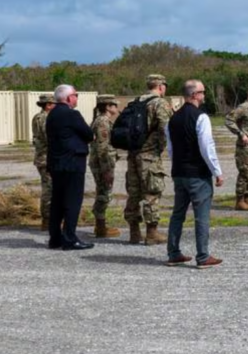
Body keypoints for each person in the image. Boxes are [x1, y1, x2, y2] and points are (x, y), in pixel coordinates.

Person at [164, 80, 224, 268]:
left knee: (177, 214)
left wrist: (177, 166)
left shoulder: (173, 119)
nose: (204, 95)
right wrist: (217, 171)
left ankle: (173, 253)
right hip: (197, 174)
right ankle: (203, 256)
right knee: (201, 216)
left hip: (179, 172)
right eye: (202, 91)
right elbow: (207, 147)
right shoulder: (201, 117)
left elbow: (170, 148)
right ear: (194, 95)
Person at [124, 74, 174, 245]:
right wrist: (162, 148)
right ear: (161, 86)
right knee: (151, 193)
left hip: (132, 155)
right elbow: (166, 129)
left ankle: (134, 232)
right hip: (150, 156)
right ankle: (152, 233)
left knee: (133, 193)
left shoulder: (135, 102)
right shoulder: (159, 103)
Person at [45, 85, 95, 250]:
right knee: (72, 201)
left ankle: (55, 238)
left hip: (56, 164)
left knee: (57, 201)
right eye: (75, 95)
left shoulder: (52, 114)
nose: (77, 98)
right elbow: (89, 134)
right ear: (68, 98)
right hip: (72, 163)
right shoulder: (72, 114)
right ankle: (69, 238)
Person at [89, 95, 121, 238]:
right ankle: (100, 227)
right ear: (108, 107)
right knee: (104, 193)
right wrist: (106, 170)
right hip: (103, 163)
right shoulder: (103, 122)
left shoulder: (101, 120)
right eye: (114, 105)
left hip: (102, 162)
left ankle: (100, 225)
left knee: (102, 191)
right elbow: (102, 148)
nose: (117, 108)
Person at [31, 94, 56, 231]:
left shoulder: (37, 117)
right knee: (49, 189)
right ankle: (47, 220)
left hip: (43, 157)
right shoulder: (44, 118)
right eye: (54, 104)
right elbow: (49, 138)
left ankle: (49, 219)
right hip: (46, 158)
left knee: (49, 187)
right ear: (48, 105)